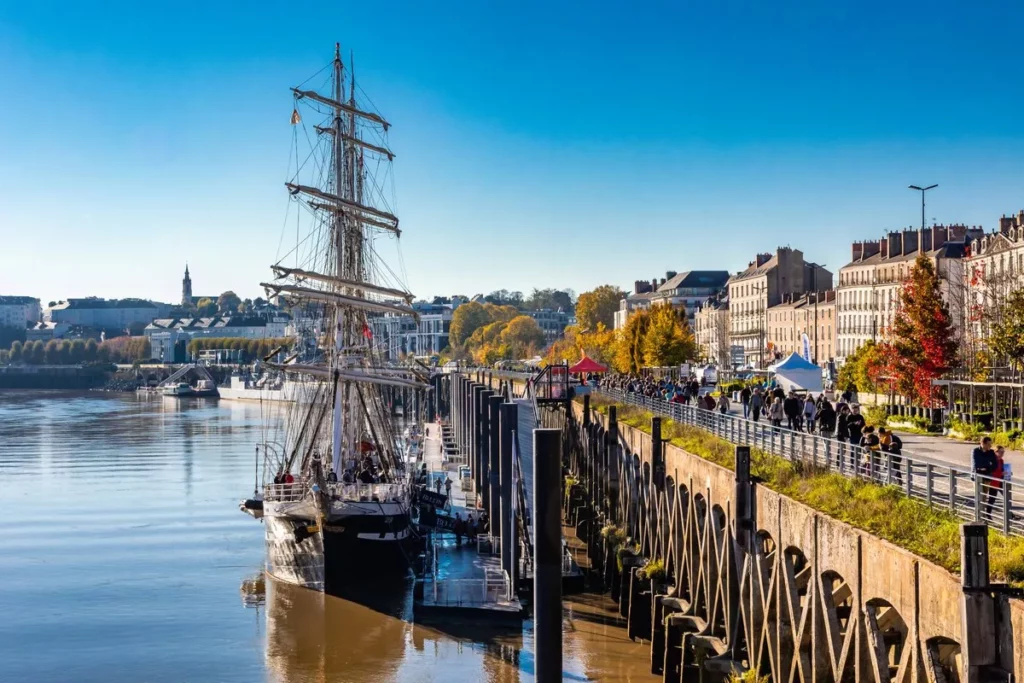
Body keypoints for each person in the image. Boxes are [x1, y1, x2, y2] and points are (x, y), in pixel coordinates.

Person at [972, 437, 998, 518]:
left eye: (991, 444)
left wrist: (987, 467)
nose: (990, 446)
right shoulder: (976, 451)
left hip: (987, 476)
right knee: (978, 495)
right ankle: (977, 515)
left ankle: (982, 515)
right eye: (988, 444)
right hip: (977, 476)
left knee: (984, 496)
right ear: (983, 443)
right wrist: (987, 464)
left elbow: (995, 465)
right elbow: (977, 464)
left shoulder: (991, 452)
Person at [846, 405, 866, 469]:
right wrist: (853, 423)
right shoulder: (849, 417)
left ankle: (858, 463)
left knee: (859, 449)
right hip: (852, 435)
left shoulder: (860, 417)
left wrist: (864, 432)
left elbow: (864, 425)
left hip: (859, 435)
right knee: (853, 449)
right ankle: (852, 463)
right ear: (851, 410)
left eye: (856, 410)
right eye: (853, 410)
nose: (855, 411)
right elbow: (846, 425)